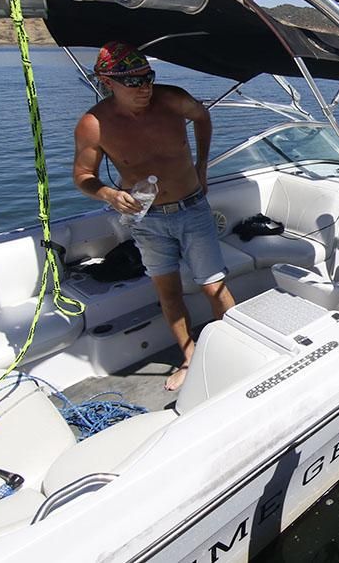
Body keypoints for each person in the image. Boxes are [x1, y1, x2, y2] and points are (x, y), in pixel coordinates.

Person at [73, 42, 235, 391]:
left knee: (212, 284)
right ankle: (190, 356)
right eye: (132, 82)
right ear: (107, 82)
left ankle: (235, 351)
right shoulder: (94, 124)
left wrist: (202, 165)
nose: (144, 88)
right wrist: (108, 194)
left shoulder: (172, 99)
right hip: (147, 219)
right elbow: (83, 175)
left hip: (191, 208)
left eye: (148, 78)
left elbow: (202, 116)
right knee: (168, 291)